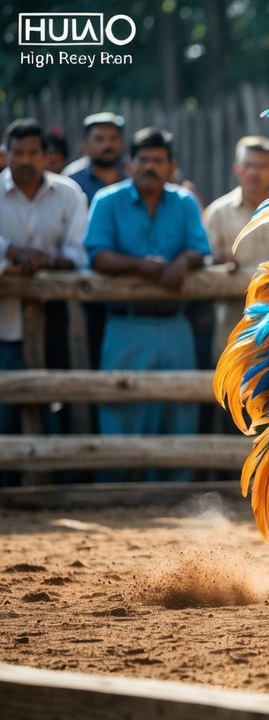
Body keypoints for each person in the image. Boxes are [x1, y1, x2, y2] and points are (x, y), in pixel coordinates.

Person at [84, 127, 210, 482]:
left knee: (178, 411)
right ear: (129, 164)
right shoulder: (107, 201)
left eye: (158, 160)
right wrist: (142, 265)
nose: (149, 167)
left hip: (175, 325)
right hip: (126, 325)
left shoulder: (184, 203)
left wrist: (181, 262)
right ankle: (118, 494)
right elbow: (96, 254)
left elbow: (201, 250)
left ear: (172, 167)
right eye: (143, 160)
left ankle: (175, 495)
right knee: (122, 408)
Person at [0, 119, 88, 445]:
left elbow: (79, 252)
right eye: (18, 152)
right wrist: (13, 252)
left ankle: (60, 483)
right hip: (2, 321)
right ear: (5, 154)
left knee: (58, 405)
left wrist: (46, 262)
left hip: (57, 318)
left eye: (32, 152)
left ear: (45, 155)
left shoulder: (67, 194)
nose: (25, 160)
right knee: (5, 411)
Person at [204, 135, 269, 354]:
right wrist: (217, 260)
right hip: (233, 322)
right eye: (248, 165)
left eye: (261, 166)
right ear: (237, 169)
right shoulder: (217, 213)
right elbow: (203, 261)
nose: (254, 172)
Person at [65, 112, 129, 370]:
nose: (107, 144)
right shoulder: (72, 183)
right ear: (86, 145)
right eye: (99, 138)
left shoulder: (135, 178)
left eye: (113, 138)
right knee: (88, 360)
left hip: (131, 283)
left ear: (122, 143)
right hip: (86, 286)